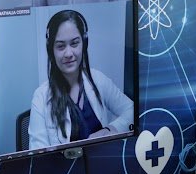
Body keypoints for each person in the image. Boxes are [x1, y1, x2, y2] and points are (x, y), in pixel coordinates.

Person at [27, 9, 133, 149]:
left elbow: (131, 109)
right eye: (60, 46)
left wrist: (111, 129)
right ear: (51, 50)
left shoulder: (98, 79)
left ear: (84, 43)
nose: (68, 53)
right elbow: (38, 154)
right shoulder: (40, 97)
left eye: (74, 43)